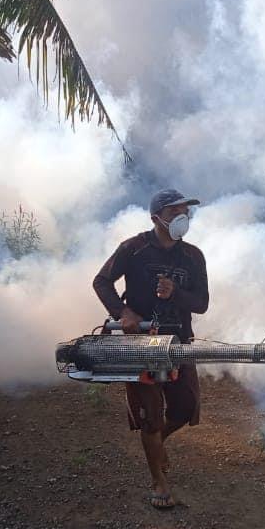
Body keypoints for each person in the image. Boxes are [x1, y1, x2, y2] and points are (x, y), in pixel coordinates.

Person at [92, 189, 208, 509]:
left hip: (178, 342)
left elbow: (202, 303)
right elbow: (101, 282)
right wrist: (123, 313)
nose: (182, 219)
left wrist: (176, 294)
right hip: (139, 344)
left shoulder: (194, 256)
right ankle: (159, 480)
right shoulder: (133, 248)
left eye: (186, 212)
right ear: (156, 217)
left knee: (185, 408)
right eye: (175, 213)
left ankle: (157, 444)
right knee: (150, 416)